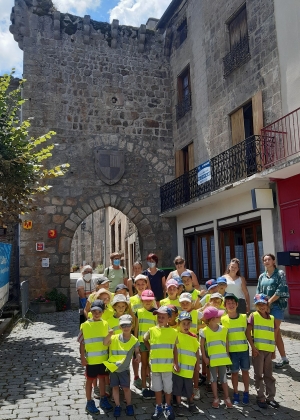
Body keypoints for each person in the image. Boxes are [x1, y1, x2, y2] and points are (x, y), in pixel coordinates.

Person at [77, 299, 112, 415]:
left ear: (103, 312)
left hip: (103, 359)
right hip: (91, 360)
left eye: (99, 312)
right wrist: (82, 357)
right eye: (94, 311)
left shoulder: (106, 324)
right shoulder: (85, 325)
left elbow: (107, 342)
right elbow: (82, 343)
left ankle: (103, 398)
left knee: (102, 379)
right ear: (91, 312)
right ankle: (89, 402)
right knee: (90, 380)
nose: (97, 314)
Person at [144, 306, 178, 420]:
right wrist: (151, 350)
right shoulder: (152, 330)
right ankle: (158, 407)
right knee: (157, 388)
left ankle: (168, 406)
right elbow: (145, 339)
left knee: (168, 388)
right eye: (159, 317)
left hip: (168, 367)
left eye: (163, 317)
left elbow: (175, 349)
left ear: (169, 318)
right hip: (155, 367)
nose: (160, 319)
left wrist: (175, 362)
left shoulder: (173, 332)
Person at [103, 314, 141, 417]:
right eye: (123, 326)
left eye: (128, 325)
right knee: (115, 388)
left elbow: (137, 351)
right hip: (113, 369)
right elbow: (105, 343)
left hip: (124, 370)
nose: (126, 328)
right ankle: (118, 406)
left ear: (132, 326)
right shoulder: (114, 338)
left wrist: (138, 356)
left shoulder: (134, 340)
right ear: (120, 327)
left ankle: (129, 405)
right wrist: (109, 335)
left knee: (126, 389)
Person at [256, 253, 290, 368]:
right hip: (264, 307)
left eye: (269, 259)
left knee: (272, 332)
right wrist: (262, 305)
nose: (267, 261)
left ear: (273, 261)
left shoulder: (280, 273)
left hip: (277, 306)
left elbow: (281, 290)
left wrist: (269, 302)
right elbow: (259, 292)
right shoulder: (262, 276)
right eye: (265, 260)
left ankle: (269, 357)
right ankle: (284, 358)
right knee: (277, 333)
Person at [246, 293, 279, 409]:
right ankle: (260, 396)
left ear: (267, 305)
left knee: (269, 375)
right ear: (256, 306)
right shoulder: (253, 316)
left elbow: (274, 336)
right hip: (258, 351)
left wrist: (274, 350)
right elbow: (247, 333)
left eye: (263, 304)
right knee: (259, 374)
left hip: (269, 351)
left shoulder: (272, 319)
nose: (261, 306)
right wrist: (253, 347)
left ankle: (271, 397)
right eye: (259, 304)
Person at [200, 306, 233, 409]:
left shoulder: (224, 329)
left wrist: (227, 354)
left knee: (223, 379)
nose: (220, 317)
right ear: (212, 319)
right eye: (218, 316)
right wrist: (204, 357)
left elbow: (226, 342)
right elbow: (201, 345)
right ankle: (216, 398)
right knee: (213, 379)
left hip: (222, 359)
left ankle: (227, 398)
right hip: (212, 359)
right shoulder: (204, 331)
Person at [221, 293, 250, 405]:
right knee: (234, 373)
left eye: (233, 303)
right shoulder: (223, 319)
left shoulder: (243, 317)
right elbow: (224, 337)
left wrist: (252, 347)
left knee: (245, 372)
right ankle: (236, 393)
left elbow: (247, 333)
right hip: (232, 352)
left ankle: (246, 392)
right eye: (229, 303)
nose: (231, 305)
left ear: (237, 304)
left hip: (244, 350)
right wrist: (226, 352)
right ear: (225, 305)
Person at [173, 311, 200, 416]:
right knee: (178, 388)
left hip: (189, 370)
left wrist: (197, 364)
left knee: (189, 387)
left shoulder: (193, 337)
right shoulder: (176, 335)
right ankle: (179, 405)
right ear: (179, 323)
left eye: (188, 323)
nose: (186, 326)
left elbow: (196, 351)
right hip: (178, 368)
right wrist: (175, 363)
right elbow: (173, 350)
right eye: (183, 323)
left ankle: (191, 403)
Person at [134, 289, 157, 399]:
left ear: (153, 300)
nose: (148, 302)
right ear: (141, 300)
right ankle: (144, 387)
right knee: (144, 365)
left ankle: (153, 387)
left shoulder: (156, 312)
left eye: (150, 300)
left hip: (153, 343)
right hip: (142, 343)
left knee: (152, 366)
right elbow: (136, 329)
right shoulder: (138, 312)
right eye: (145, 300)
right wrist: (136, 344)